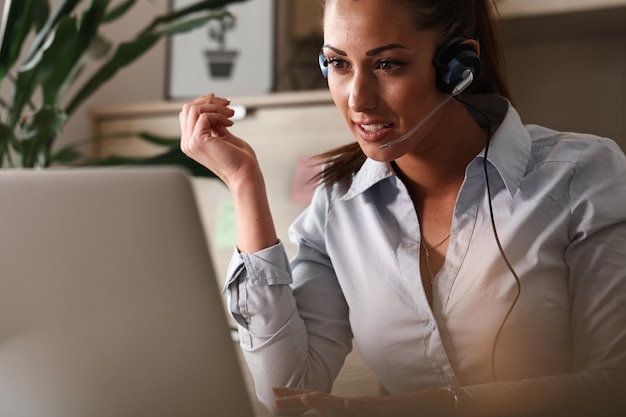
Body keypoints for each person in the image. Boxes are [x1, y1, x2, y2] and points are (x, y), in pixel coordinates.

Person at [179, 0, 626, 415]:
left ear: (457, 68)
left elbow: (614, 385)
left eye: (387, 64)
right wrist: (244, 184)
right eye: (337, 63)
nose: (357, 99)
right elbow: (289, 390)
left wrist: (441, 406)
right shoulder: (337, 208)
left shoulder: (581, 175)